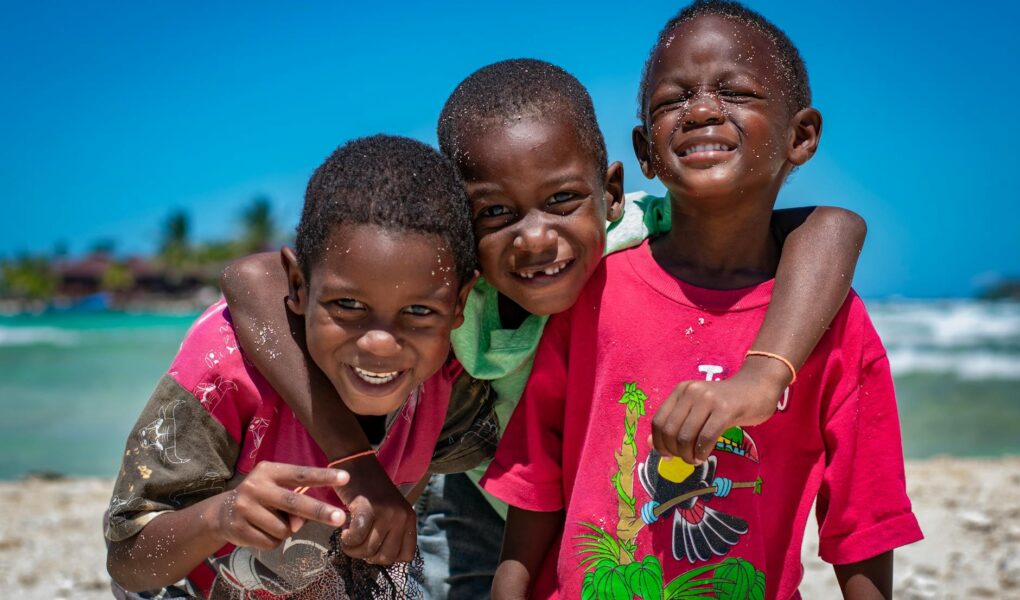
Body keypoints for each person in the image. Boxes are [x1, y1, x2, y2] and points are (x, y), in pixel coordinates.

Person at [223, 57, 866, 598]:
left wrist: (765, 372)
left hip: (608, 496)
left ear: (610, 193)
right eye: (496, 212)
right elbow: (252, 280)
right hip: (476, 496)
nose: (536, 238)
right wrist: (360, 471)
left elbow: (833, 227)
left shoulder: (639, 233)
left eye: (562, 201)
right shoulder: (451, 288)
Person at [481, 3, 923, 599]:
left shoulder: (832, 320)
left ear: (801, 136)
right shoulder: (595, 291)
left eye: (736, 92)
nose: (703, 110)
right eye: (673, 100)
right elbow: (538, 482)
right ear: (645, 152)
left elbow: (863, 518)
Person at [104, 135, 477, 599]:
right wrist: (222, 515)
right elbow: (127, 560)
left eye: (418, 312)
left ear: (460, 303)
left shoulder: (449, 378)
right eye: (348, 305)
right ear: (297, 283)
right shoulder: (224, 375)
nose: (381, 343)